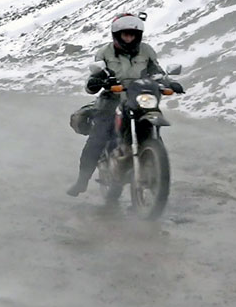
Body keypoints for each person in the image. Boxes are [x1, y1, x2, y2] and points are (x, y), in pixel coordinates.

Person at [65, 12, 182, 198]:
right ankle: (82, 180)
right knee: (98, 137)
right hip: (112, 100)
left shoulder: (147, 51)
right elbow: (94, 77)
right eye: (125, 34)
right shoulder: (105, 52)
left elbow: (156, 71)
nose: (129, 38)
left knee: (151, 125)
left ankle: (154, 160)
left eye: (133, 34)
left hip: (139, 97)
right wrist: (96, 82)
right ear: (117, 35)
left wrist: (168, 82)